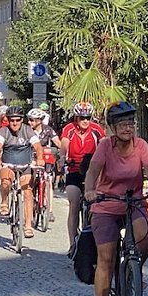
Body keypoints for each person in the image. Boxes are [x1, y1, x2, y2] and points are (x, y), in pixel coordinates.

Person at [83, 101, 148, 296]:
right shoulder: (105, 146)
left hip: (133, 203)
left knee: (147, 238)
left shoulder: (141, 145)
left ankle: (132, 270)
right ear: (112, 127)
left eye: (130, 123)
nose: (127, 127)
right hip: (105, 205)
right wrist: (90, 191)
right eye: (122, 123)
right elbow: (92, 171)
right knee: (106, 258)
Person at [59, 101, 105, 252]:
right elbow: (64, 144)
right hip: (74, 169)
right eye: (82, 118)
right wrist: (62, 156)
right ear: (76, 117)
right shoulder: (69, 129)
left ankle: (95, 236)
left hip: (92, 170)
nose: (85, 121)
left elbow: (104, 144)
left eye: (88, 117)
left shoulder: (96, 129)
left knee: (96, 203)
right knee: (73, 202)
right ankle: (72, 244)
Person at [0, 105, 44, 238]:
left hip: (25, 165)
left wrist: (40, 158)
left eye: (17, 120)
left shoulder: (28, 131)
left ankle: (28, 226)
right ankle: (4, 202)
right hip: (8, 164)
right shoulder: (3, 132)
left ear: (22, 120)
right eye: (12, 120)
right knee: (5, 180)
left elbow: (37, 146)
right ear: (8, 120)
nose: (14, 123)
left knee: (27, 192)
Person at [29, 108, 60, 222]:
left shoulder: (48, 130)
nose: (30, 122)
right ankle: (30, 205)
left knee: (49, 181)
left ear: (39, 121)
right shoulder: (27, 130)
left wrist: (62, 152)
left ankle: (50, 210)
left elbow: (57, 142)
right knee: (30, 181)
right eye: (29, 120)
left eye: (32, 120)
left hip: (46, 158)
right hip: (31, 158)